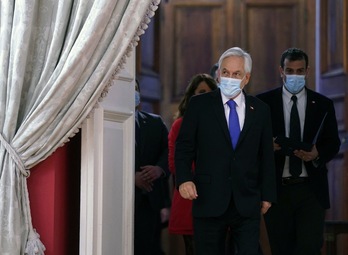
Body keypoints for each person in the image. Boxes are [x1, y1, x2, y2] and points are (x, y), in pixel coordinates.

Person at [175, 47, 277, 255]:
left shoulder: (260, 110)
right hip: (208, 198)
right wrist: (184, 179)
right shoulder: (199, 105)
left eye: (237, 74)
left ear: (246, 78)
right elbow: (184, 147)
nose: (230, 78)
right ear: (219, 74)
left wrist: (267, 194)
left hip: (247, 199)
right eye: (226, 72)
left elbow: (266, 155)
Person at [256, 47, 341, 255]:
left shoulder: (323, 104)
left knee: (310, 247)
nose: (295, 75)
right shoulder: (263, 103)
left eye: (300, 71)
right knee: (281, 248)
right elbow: (250, 143)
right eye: (290, 70)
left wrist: (316, 153)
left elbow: (333, 142)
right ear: (281, 71)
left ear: (307, 71)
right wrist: (267, 147)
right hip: (277, 189)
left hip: (310, 188)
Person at [168, 73, 218, 255]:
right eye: (201, 92)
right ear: (191, 96)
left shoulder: (226, 124)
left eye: (210, 92)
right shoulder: (180, 125)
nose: (206, 96)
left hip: (219, 197)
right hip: (191, 196)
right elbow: (175, 164)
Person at [134, 80, 171, 255]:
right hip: (121, 201)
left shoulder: (155, 123)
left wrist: (159, 169)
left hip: (150, 202)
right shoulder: (107, 124)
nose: (132, 92)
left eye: (135, 89)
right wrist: (131, 178)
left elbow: (169, 152)